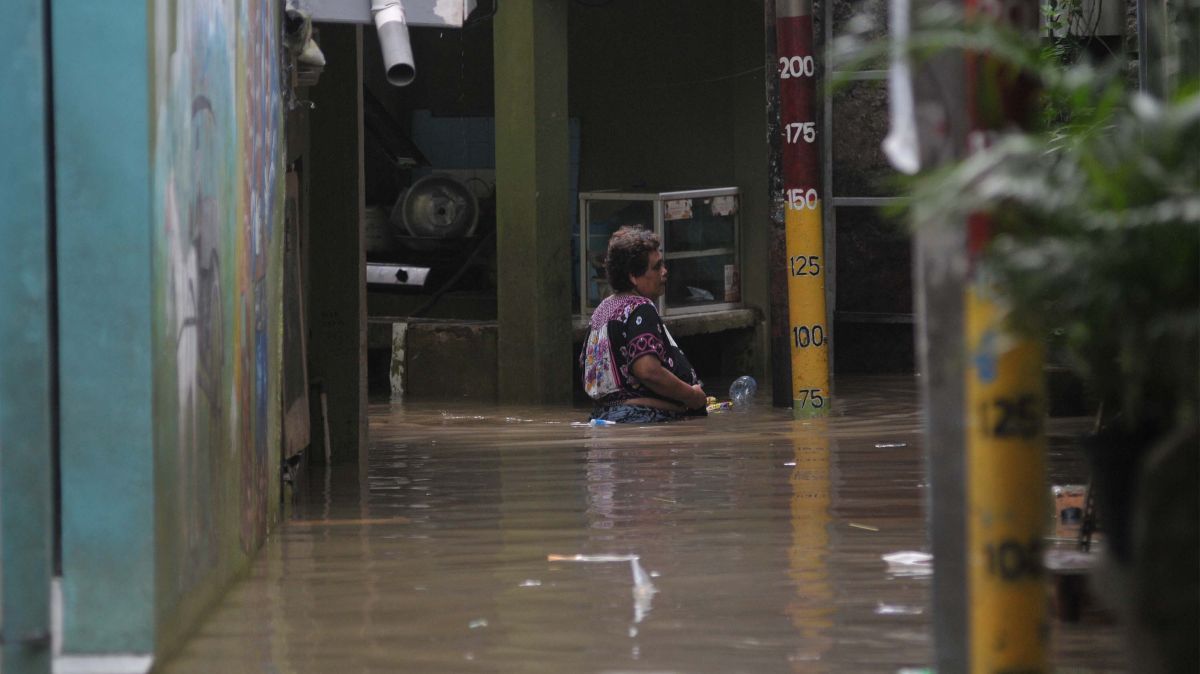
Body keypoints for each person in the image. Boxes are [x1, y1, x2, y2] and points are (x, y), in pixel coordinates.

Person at [580, 225, 708, 423]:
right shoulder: (640, 307)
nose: (664, 272)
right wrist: (692, 396)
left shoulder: (601, 311)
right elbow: (647, 371)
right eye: (656, 267)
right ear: (633, 276)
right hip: (644, 419)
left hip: (604, 416)